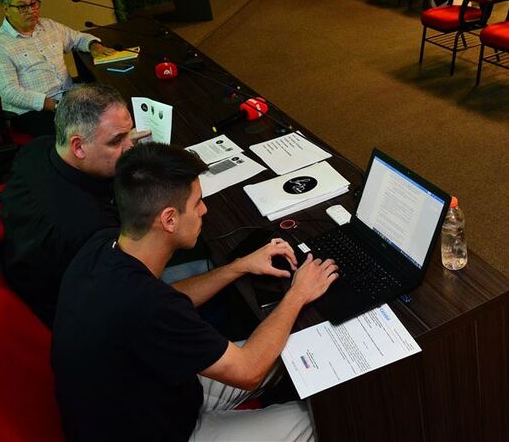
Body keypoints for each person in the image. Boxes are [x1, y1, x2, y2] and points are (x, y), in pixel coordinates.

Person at [52, 142, 339, 442]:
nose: (205, 209)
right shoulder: (147, 307)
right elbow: (249, 369)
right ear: (169, 219)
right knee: (317, 421)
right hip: (161, 430)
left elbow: (172, 295)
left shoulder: (102, 247)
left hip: (156, 396)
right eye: (197, 202)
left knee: (294, 349)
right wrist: (298, 293)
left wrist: (238, 266)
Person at [0, 83, 148, 325]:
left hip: (20, 264)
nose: (130, 147)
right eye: (117, 140)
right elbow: (128, 295)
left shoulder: (36, 149)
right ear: (78, 146)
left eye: (128, 133)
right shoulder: (91, 229)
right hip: (74, 310)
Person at [0, 0, 114, 137]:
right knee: (87, 133)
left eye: (34, 4)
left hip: (67, 95)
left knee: (112, 109)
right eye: (22, 7)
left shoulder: (48, 26)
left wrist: (94, 46)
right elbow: (10, 93)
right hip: (33, 111)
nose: (31, 10)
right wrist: (55, 105)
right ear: (6, 9)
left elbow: (77, 38)